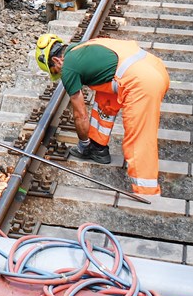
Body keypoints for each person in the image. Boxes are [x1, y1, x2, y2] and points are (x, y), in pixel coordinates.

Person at [34, 34, 170, 197]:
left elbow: (81, 115)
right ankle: (98, 148)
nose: (60, 75)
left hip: (143, 83)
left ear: (57, 61)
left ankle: (147, 192)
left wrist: (83, 143)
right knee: (104, 97)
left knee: (138, 139)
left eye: (56, 71)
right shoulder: (86, 47)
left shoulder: (68, 66)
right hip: (154, 68)